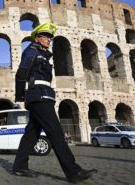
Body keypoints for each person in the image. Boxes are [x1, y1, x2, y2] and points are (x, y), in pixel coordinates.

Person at [12, 22, 97, 183]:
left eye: (51, 37)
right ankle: (73, 171)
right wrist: (19, 97)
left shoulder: (43, 54)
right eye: (46, 37)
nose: (49, 40)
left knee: (32, 133)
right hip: (38, 96)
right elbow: (21, 73)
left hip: (44, 95)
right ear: (37, 38)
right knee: (56, 132)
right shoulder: (31, 51)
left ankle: (19, 166)